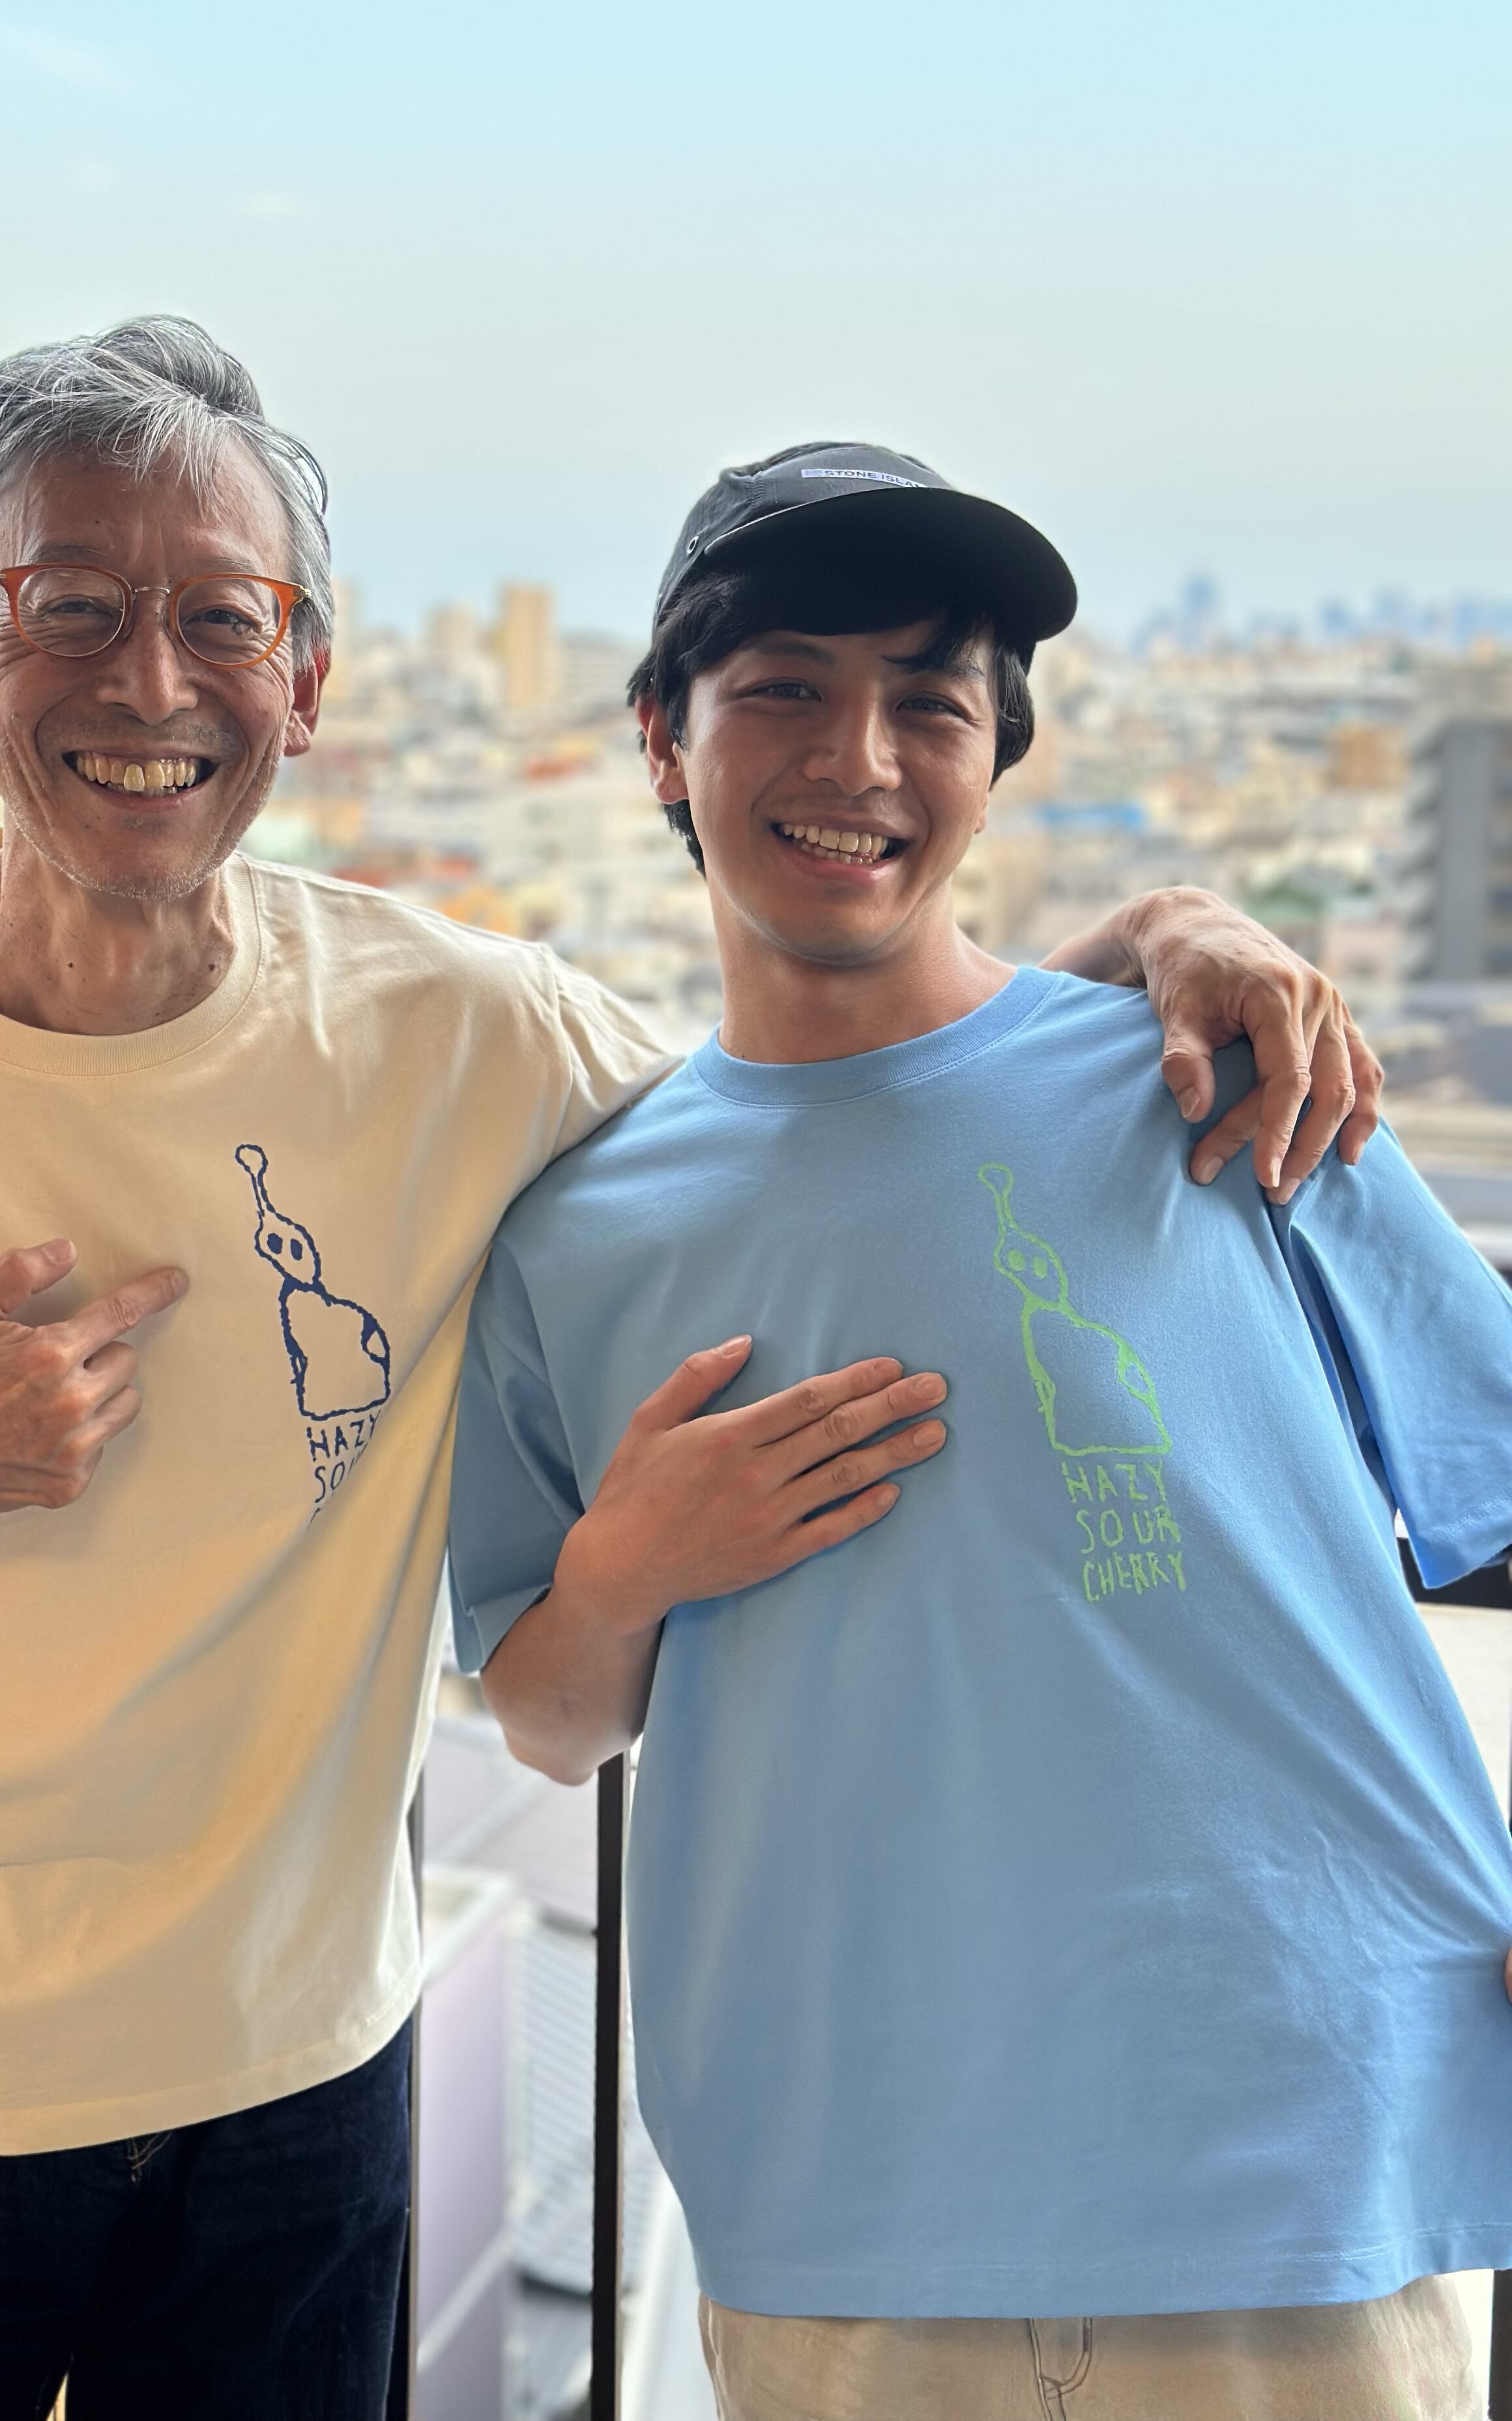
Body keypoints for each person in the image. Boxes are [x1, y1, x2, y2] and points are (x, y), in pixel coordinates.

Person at [0, 328, 1380, 2421]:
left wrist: (1162, 937)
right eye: (73, 607)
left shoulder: (457, 1025)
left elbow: (835, 1096)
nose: (152, 683)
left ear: (308, 681)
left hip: (292, 2093)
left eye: (222, 619)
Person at [448, 444, 1512, 2421]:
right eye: (783, 686)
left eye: (929, 703)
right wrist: (626, 1571)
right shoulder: (572, 1233)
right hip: (841, 2184)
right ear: (662, 739)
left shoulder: (1226, 1077)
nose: (857, 758)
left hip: (1285, 2151)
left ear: (996, 758)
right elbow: (550, 1719)